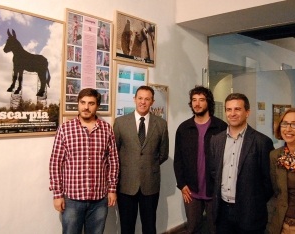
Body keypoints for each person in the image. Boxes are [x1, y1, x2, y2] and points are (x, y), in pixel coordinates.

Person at [49, 88, 119, 234]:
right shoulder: (65, 129)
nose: (86, 107)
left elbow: (113, 160)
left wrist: (112, 189)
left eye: (91, 103)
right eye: (83, 102)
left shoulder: (106, 129)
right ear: (78, 104)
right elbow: (56, 163)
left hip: (99, 199)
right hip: (72, 199)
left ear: (97, 106)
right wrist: (57, 194)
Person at [209, 93, 274, 234]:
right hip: (222, 211)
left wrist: (254, 201)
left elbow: (269, 181)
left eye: (237, 109)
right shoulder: (216, 140)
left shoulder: (262, 142)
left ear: (247, 112)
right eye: (229, 109)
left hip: (250, 212)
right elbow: (214, 172)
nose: (232, 114)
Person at [113, 85, 169, 234]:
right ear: (134, 99)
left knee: (149, 226)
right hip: (126, 184)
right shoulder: (120, 123)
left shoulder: (161, 124)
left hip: (150, 184)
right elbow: (114, 153)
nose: (143, 102)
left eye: (147, 99)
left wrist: (148, 166)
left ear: (152, 101)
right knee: (126, 226)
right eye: (140, 98)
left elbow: (163, 154)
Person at [174, 86, 228, 234]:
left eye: (201, 100)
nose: (197, 104)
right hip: (191, 190)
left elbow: (228, 159)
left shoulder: (221, 127)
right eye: (194, 100)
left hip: (215, 190)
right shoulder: (184, 128)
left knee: (216, 229)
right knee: (193, 229)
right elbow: (178, 159)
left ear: (208, 102)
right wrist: (181, 183)